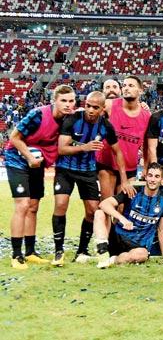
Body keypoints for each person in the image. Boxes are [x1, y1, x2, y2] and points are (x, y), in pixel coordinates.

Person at [52, 91, 133, 266]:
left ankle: (81, 250)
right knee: (60, 204)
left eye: (95, 107)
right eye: (88, 105)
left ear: (103, 109)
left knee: (92, 211)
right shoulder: (73, 119)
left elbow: (118, 152)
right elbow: (61, 149)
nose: (90, 110)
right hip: (65, 169)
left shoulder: (106, 126)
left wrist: (124, 179)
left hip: (87, 171)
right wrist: (86, 147)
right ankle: (58, 250)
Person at [6, 85, 75, 269]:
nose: (68, 105)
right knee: (23, 205)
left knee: (34, 207)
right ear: (55, 101)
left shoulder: (70, 119)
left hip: (38, 162)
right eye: (64, 101)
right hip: (18, 160)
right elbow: (14, 137)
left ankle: (30, 252)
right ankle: (16, 254)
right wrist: (29, 157)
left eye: (71, 101)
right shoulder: (38, 114)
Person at [94, 163, 163, 269]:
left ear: (162, 179)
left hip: (138, 245)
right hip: (118, 236)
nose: (152, 179)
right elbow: (104, 204)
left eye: (157, 176)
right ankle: (102, 252)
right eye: (150, 175)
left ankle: (112, 260)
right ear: (145, 176)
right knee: (99, 213)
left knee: (141, 255)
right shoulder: (133, 191)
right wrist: (122, 219)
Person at [96, 75, 151, 200]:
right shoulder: (110, 105)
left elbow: (146, 146)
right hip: (107, 164)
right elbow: (91, 110)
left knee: (122, 208)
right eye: (124, 85)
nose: (126, 88)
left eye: (131, 86)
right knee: (107, 204)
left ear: (141, 90)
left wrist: (146, 168)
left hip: (130, 167)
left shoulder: (146, 115)